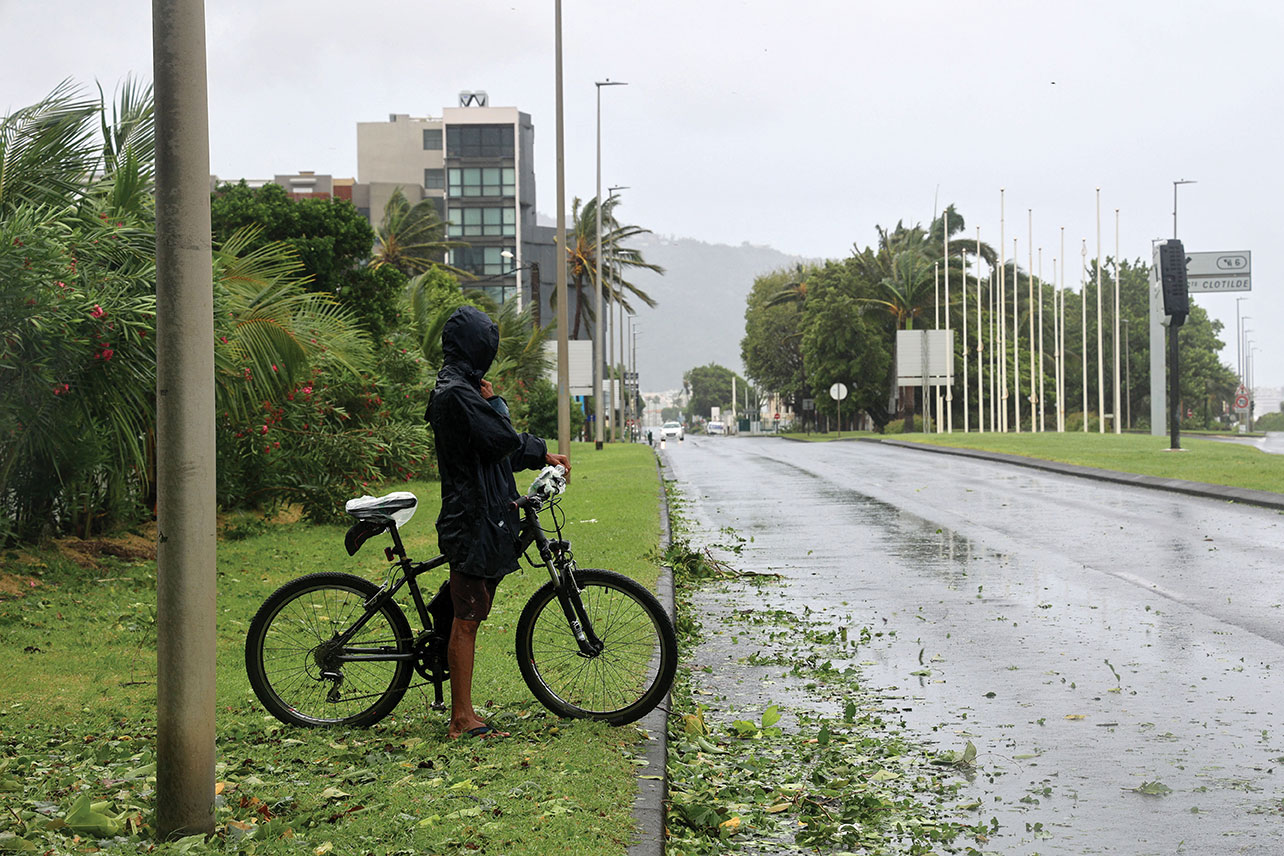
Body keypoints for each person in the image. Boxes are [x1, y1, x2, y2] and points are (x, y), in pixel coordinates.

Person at [426, 305, 570, 739]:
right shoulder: (459, 394)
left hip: (483, 512)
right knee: (468, 617)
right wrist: (499, 406)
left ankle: (444, 645)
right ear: (475, 348)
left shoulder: (461, 388)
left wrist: (540, 452)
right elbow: (502, 439)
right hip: (471, 518)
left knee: (468, 607)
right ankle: (461, 719)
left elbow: (497, 445)